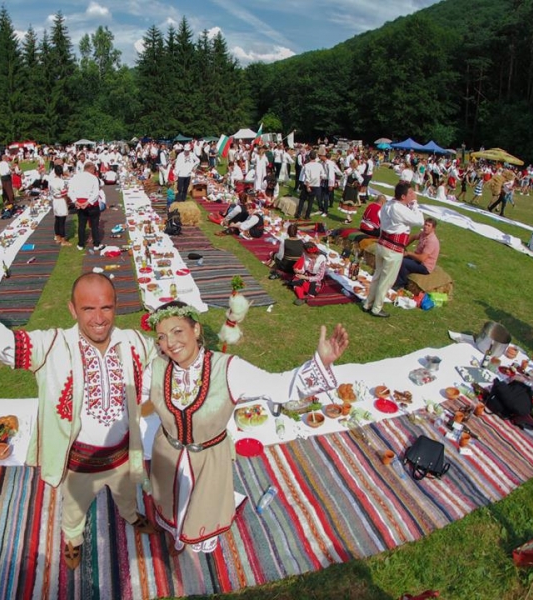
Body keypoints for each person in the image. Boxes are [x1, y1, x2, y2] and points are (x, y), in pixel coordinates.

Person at [0, 260, 160, 570]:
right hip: (78, 462)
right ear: (72, 310)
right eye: (88, 309)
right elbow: (0, 342)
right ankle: (73, 539)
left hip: (122, 455)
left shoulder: (134, 343)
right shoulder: (50, 346)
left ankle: (130, 516)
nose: (99, 319)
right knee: (74, 508)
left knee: (127, 494)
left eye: (107, 308)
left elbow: (168, 360)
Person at [141, 301, 348, 555]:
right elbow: (128, 398)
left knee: (200, 509)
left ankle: (187, 538)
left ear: (195, 330)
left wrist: (320, 363)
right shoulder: (156, 369)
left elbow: (278, 386)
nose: (170, 343)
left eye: (177, 331)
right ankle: (175, 533)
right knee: (170, 502)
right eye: (162, 336)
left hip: (208, 460)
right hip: (167, 455)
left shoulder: (228, 368)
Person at [363, 182, 424, 318]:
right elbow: (419, 221)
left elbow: (380, 215)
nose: (413, 195)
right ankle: (376, 308)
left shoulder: (388, 204)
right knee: (386, 280)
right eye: (410, 193)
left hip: (382, 244)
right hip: (393, 248)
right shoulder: (399, 208)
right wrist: (414, 204)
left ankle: (368, 303)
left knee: (378, 276)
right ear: (403, 196)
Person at [395, 218, 440, 290]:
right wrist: (403, 246)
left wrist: (409, 253)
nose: (426, 227)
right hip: (417, 259)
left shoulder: (431, 241)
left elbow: (422, 258)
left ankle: (400, 285)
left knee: (403, 262)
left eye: (429, 226)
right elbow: (413, 237)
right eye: (425, 224)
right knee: (398, 256)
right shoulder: (423, 234)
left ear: (433, 228)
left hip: (424, 266)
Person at [68, 161, 104, 252]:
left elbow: (70, 191)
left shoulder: (75, 177)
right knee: (94, 225)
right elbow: (96, 193)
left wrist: (76, 202)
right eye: (94, 170)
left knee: (81, 225)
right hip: (91, 204)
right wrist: (87, 202)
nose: (94, 172)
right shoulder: (93, 178)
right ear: (91, 169)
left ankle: (81, 244)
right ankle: (96, 244)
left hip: (80, 202)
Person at [48, 164, 71, 246]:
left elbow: (50, 191)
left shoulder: (51, 181)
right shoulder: (61, 182)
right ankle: (63, 240)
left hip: (55, 200)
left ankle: (57, 237)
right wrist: (68, 200)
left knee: (57, 219)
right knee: (62, 221)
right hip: (61, 200)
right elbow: (64, 193)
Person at [295, 150, 322, 220]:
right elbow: (322, 175)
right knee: (311, 201)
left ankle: (299, 213)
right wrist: (318, 181)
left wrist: (307, 186)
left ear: (309, 157)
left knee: (302, 199)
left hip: (308, 184)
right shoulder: (319, 165)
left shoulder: (307, 165)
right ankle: (307, 215)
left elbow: (307, 177)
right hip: (315, 185)